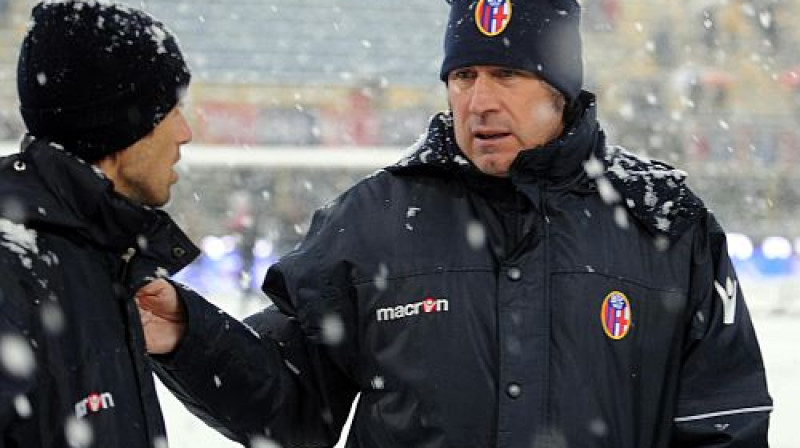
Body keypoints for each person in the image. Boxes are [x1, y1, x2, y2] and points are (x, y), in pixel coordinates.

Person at [139, 0, 772, 447]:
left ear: (561, 88)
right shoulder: (374, 218)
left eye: (508, 74)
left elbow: (725, 421)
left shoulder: (666, 223)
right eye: (464, 76)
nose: (480, 100)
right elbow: (291, 403)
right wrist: (189, 336)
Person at [0, 1, 198, 447]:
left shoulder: (97, 255)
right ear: (124, 124)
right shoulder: (17, 269)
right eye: (172, 110)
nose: (185, 132)